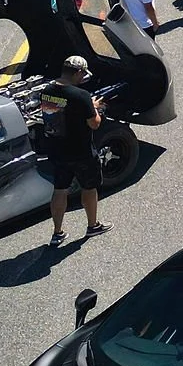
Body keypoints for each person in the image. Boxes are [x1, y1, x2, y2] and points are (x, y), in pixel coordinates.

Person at [40, 55, 107, 245]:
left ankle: (57, 232)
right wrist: (95, 109)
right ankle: (93, 225)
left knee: (60, 189)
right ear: (78, 72)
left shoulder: (47, 91)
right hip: (81, 152)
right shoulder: (81, 96)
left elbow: (59, 112)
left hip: (57, 150)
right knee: (89, 187)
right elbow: (94, 124)